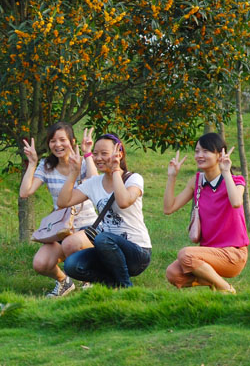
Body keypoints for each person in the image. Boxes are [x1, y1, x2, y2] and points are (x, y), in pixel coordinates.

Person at [58, 134, 152, 288]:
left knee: (102, 238)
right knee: (72, 265)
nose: (98, 158)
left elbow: (123, 202)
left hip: (137, 252)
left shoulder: (133, 179)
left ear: (119, 154)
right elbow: (63, 202)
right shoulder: (94, 183)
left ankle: (125, 287)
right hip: (107, 251)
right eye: (95, 153)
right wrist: (73, 172)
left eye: (104, 153)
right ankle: (112, 284)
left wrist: (115, 170)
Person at [164, 132, 249, 293]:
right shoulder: (197, 181)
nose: (199, 155)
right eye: (197, 151)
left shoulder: (236, 180)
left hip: (233, 254)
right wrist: (172, 177)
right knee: (173, 274)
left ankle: (225, 288)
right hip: (208, 254)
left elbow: (236, 202)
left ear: (219, 154)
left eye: (205, 151)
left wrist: (225, 171)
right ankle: (215, 282)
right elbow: (169, 208)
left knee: (185, 255)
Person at [19, 122, 97, 297]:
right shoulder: (47, 165)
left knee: (73, 244)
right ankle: (64, 282)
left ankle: (89, 279)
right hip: (62, 229)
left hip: (87, 228)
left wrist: (87, 153)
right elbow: (25, 192)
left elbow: (94, 181)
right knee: (41, 263)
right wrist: (32, 164)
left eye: (63, 140)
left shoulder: (83, 163)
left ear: (72, 141)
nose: (58, 145)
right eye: (53, 141)